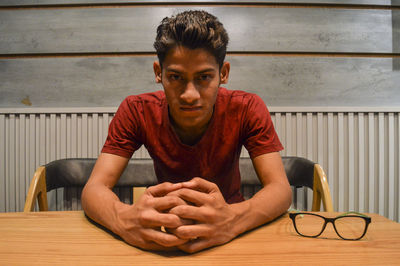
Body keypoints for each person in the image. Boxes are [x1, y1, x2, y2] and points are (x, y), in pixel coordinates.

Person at [81, 10, 292, 253]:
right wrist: (123, 219)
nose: (189, 94)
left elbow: (280, 189)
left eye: (204, 77)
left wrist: (233, 220)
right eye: (175, 77)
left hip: (232, 226)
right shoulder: (136, 110)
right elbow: (94, 189)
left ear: (223, 74)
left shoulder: (247, 108)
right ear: (158, 73)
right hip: (164, 230)